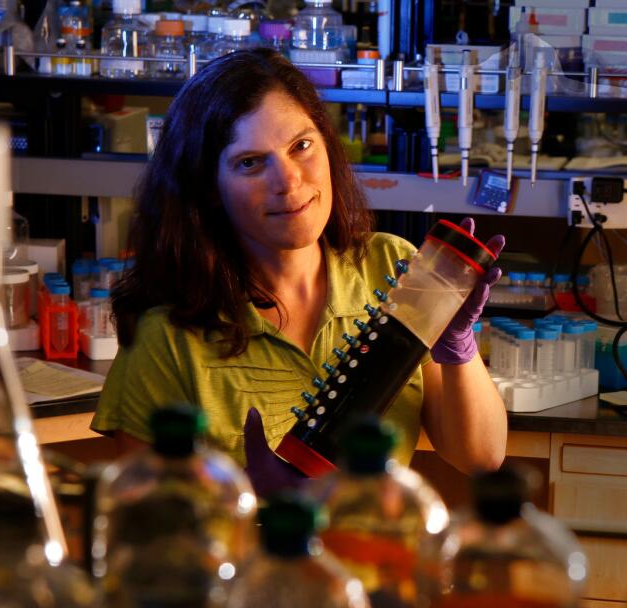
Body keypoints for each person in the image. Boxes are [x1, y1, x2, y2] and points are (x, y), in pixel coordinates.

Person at [92, 49, 507, 493]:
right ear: (208, 188)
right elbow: (146, 522)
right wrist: (248, 504)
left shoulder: (392, 268)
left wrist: (457, 351)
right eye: (250, 162)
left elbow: (480, 456)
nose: (288, 181)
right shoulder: (167, 334)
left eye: (301, 146)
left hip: (377, 559)